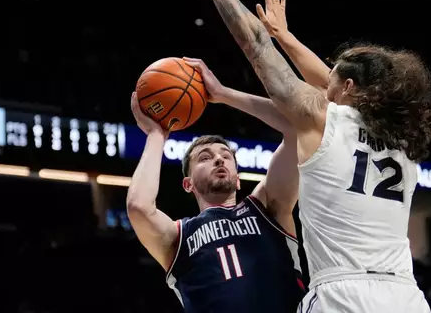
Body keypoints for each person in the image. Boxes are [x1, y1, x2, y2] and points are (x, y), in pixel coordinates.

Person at [198, 0, 431, 312]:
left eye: (333, 82)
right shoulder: (401, 142)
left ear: (347, 89)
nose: (323, 86)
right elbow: (329, 82)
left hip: (343, 294)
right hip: (406, 297)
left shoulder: (325, 121)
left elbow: (255, 47)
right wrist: (287, 36)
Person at [126, 61, 305, 313]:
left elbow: (297, 128)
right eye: (205, 158)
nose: (219, 159)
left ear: (238, 178)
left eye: (225, 156)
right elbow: (138, 206)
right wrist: (157, 136)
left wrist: (222, 94)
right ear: (188, 184)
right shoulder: (178, 237)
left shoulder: (267, 207)